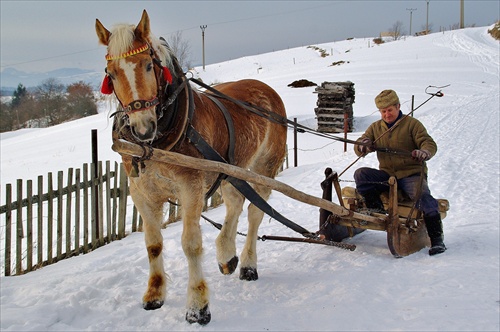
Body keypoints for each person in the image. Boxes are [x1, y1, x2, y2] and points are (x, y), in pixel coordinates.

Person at [353, 89, 446, 256]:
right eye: (383, 111)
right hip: (388, 176)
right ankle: (377, 210)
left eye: (390, 110)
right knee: (361, 175)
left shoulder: (412, 124)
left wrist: (424, 152)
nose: (387, 114)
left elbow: (428, 142)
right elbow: (360, 143)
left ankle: (437, 239)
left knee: (424, 198)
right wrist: (363, 145)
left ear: (398, 107)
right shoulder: (376, 127)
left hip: (411, 174)